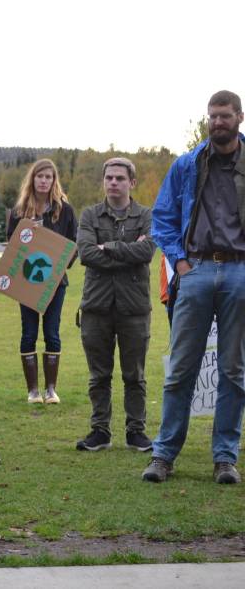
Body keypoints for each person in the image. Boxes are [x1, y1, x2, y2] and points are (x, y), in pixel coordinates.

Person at [143, 89, 245, 485]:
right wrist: (181, 264)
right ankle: (163, 454)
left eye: (224, 116)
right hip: (197, 271)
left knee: (234, 370)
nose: (217, 122)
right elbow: (163, 217)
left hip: (239, 272)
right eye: (212, 116)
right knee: (181, 367)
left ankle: (225, 458)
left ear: (239, 117)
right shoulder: (187, 164)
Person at [75, 157, 155, 453]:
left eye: (120, 178)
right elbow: (85, 253)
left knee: (135, 375)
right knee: (99, 375)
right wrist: (127, 251)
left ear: (132, 183)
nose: (113, 183)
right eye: (109, 178)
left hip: (134, 308)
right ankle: (100, 431)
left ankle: (136, 431)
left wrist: (107, 247)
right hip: (96, 306)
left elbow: (147, 251)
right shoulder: (90, 215)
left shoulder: (146, 215)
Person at [6, 159, 77, 404]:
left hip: (55, 283)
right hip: (27, 282)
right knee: (28, 333)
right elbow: (12, 247)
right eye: (40, 176)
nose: (44, 181)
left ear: (54, 180)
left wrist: (62, 266)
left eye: (49, 177)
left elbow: (73, 244)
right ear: (33, 179)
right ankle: (33, 391)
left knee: (52, 332)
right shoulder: (19, 211)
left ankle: (50, 390)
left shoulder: (64, 210)